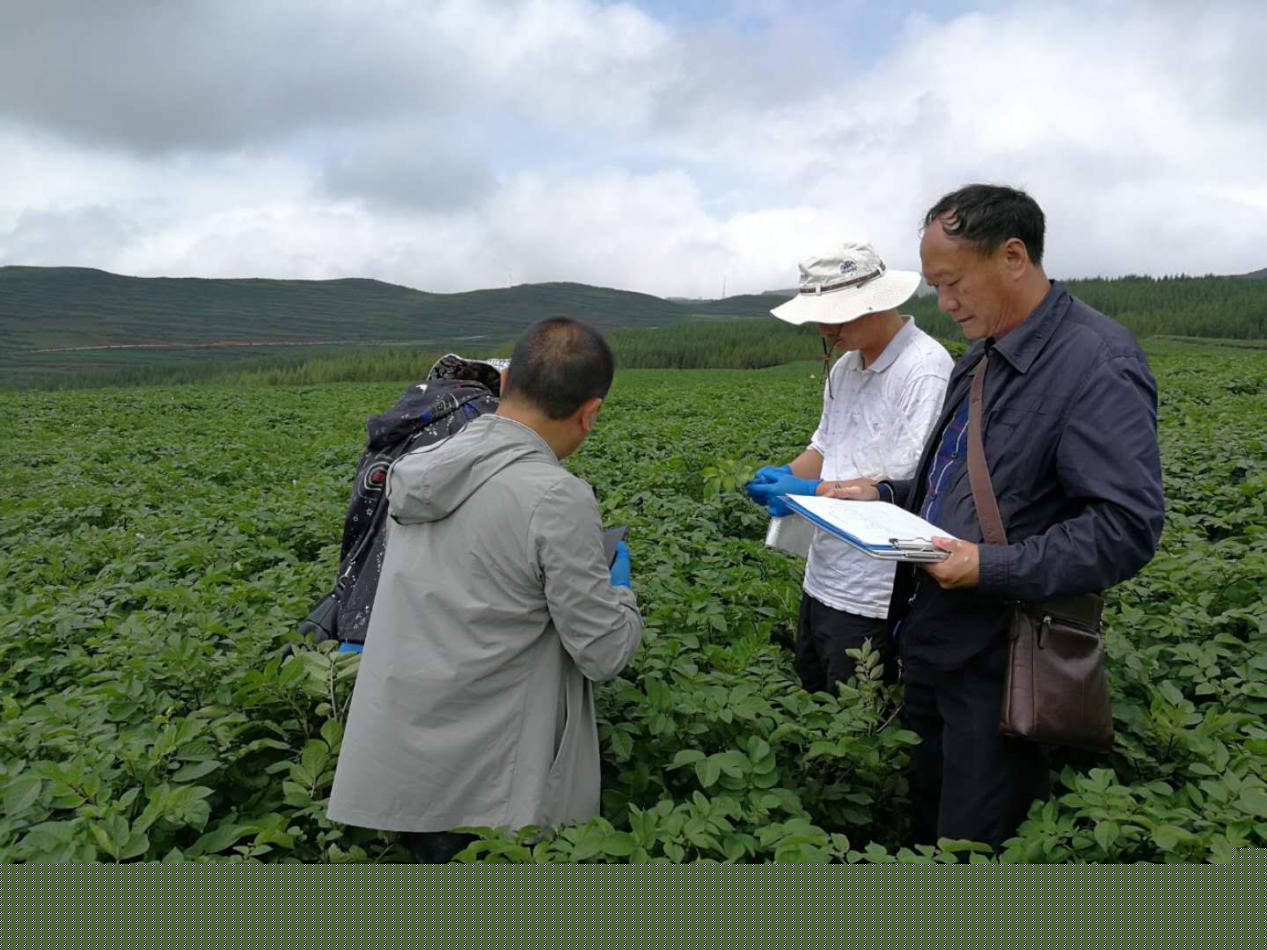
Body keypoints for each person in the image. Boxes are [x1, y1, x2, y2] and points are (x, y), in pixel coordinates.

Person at [829, 185, 1165, 849]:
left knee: (972, 839)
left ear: (1012, 256)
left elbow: (1125, 526)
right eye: (934, 286)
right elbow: (960, 476)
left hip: (1004, 661)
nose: (944, 304)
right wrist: (889, 495)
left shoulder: (1095, 363)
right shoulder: (980, 356)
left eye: (952, 283)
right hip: (933, 636)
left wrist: (990, 564)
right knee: (925, 816)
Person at [327, 317, 643, 863]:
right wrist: (619, 589)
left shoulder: (421, 465)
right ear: (590, 413)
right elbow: (604, 651)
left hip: (408, 765)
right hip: (489, 786)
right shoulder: (555, 497)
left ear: (503, 383)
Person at [744, 242, 953, 693]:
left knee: (856, 710)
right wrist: (787, 472)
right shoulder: (845, 367)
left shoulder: (925, 369)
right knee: (814, 683)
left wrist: (807, 491)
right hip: (826, 569)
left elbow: (904, 487)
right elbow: (826, 443)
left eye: (836, 315)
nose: (824, 328)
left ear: (878, 303)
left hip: (876, 586)